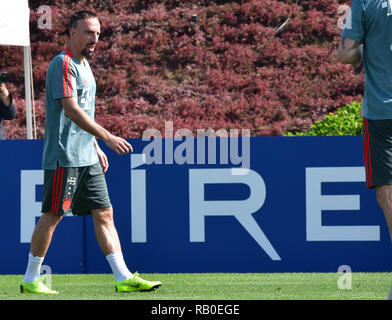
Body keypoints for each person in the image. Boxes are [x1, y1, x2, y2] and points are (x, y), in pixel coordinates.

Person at [20, 10, 161, 294]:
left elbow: (84, 110)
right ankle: (31, 278)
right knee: (53, 215)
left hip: (87, 155)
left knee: (104, 212)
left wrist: (95, 146)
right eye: (88, 33)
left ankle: (123, 277)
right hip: (65, 156)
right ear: (72, 32)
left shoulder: (85, 64)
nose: (95, 39)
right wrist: (107, 137)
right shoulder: (63, 64)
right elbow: (71, 109)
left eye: (97, 33)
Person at [337, 0, 392, 300]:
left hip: (383, 114)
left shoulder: (365, 3)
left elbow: (345, 54)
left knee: (389, 195)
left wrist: (354, 36)